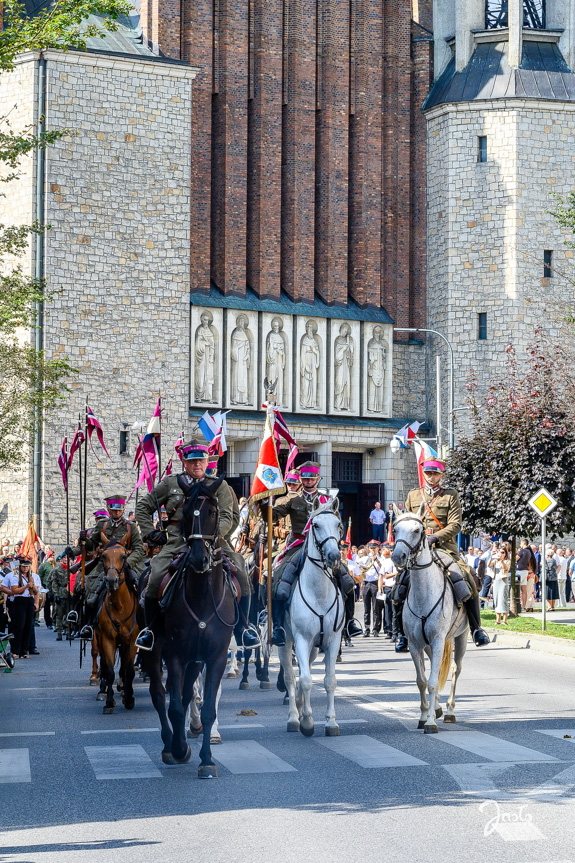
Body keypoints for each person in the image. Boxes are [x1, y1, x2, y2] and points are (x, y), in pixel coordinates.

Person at [135, 440, 258, 651]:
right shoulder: (170, 483)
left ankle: (243, 629)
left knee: (243, 575)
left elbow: (229, 517)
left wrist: (207, 536)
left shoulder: (219, 485)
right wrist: (150, 533)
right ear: (184, 462)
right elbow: (142, 507)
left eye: (201, 460)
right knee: (154, 578)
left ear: (207, 461)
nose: (197, 465)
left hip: (214, 541)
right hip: (176, 542)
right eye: (192, 461)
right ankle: (151, 631)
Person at [262, 460, 362, 646]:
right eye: (305, 478)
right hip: (298, 545)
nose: (308, 481)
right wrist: (264, 503)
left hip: (323, 549)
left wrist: (332, 543)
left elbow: (338, 527)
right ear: (301, 479)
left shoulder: (328, 500)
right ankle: (278, 627)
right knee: (279, 577)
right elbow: (273, 516)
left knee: (346, 580)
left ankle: (349, 623)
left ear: (318, 479)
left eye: (312, 478)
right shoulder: (292, 499)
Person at [394, 458, 489, 652]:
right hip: (417, 550)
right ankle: (401, 633)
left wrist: (434, 537)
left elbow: (455, 525)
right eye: (428, 473)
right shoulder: (413, 495)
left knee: (466, 577)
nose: (432, 476)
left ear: (441, 475)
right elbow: (407, 522)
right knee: (399, 584)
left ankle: (476, 628)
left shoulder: (450, 495)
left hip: (444, 548)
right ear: (424, 474)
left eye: (435, 473)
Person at [68, 494, 145, 640]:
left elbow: (139, 548)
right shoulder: (102, 524)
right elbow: (92, 545)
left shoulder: (131, 526)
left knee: (140, 585)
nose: (117, 512)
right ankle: (89, 625)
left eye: (120, 510)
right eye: (114, 510)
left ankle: (144, 626)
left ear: (123, 510)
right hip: (105, 563)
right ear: (109, 509)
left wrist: (128, 562)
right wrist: (85, 538)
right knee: (89, 583)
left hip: (125, 562)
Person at [1, 557, 40, 658]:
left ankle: (24, 651)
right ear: (20, 566)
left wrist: (33, 587)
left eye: (27, 566)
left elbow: (36, 592)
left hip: (29, 601)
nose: (25, 569)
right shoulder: (15, 576)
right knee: (19, 626)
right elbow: (14, 591)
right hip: (19, 601)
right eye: (23, 567)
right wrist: (26, 586)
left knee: (28, 626)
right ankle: (15, 651)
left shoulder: (32, 576)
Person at [377, 543, 397, 639]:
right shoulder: (386, 562)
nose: (392, 552)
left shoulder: (399, 561)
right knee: (388, 609)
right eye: (391, 550)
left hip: (397, 587)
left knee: (396, 610)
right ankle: (389, 631)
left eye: (393, 550)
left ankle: (396, 631)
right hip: (389, 587)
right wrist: (380, 588)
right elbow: (382, 576)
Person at [361, 540, 381, 636]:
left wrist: (376, 559)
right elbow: (360, 568)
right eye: (371, 548)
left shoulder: (381, 559)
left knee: (375, 608)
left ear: (378, 548)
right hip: (366, 583)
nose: (372, 550)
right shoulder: (365, 558)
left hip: (375, 583)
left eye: (374, 548)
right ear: (368, 549)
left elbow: (383, 569)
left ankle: (376, 629)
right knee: (366, 608)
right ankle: (367, 629)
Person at [50, 554, 71, 640]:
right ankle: (59, 633)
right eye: (64, 558)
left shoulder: (71, 569)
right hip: (61, 593)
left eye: (67, 558)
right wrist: (56, 595)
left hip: (69, 594)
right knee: (59, 614)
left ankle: (68, 632)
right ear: (61, 559)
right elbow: (54, 584)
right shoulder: (56, 570)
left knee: (69, 614)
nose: (66, 559)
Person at [488, 546, 510, 625]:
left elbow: (506, 568)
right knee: (496, 600)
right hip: (496, 581)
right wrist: (491, 556)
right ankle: (497, 620)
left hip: (503, 581)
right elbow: (489, 565)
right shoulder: (495, 561)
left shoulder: (507, 561)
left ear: (505, 554)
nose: (501, 554)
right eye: (500, 552)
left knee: (503, 599)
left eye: (503, 552)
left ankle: (504, 620)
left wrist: (501, 561)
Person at [37, 548, 55, 630]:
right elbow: (39, 576)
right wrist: (41, 586)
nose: (53, 557)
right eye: (51, 556)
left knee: (55, 606)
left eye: (54, 555)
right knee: (47, 606)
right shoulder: (44, 565)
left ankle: (55, 620)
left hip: (55, 588)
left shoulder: (56, 565)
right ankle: (48, 622)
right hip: (46, 587)